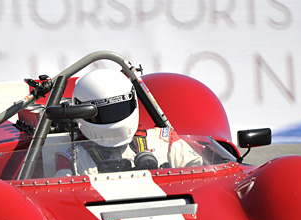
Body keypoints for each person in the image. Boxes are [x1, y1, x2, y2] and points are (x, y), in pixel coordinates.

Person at [54, 68, 202, 176]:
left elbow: (201, 175)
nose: (112, 120)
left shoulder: (163, 140)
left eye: (118, 109)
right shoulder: (72, 156)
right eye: (103, 114)